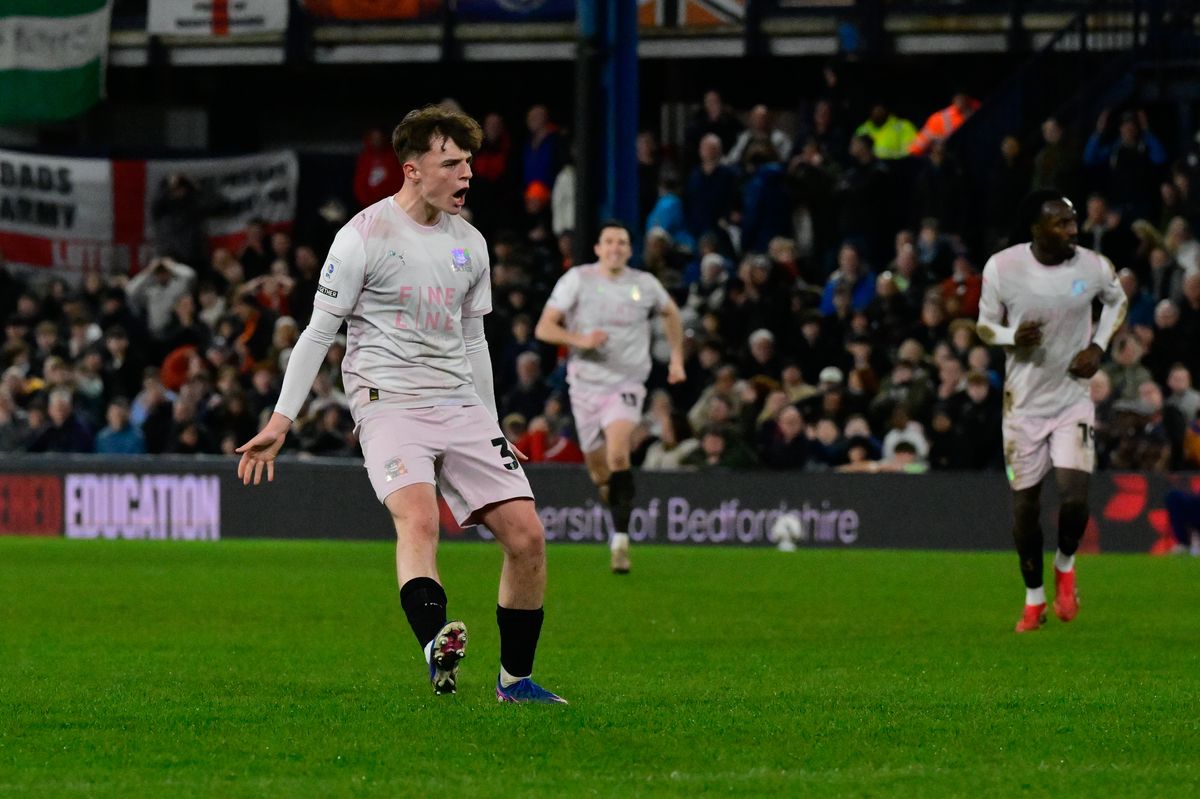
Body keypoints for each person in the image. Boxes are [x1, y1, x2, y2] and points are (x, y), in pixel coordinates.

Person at [235, 106, 565, 704]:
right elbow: (316, 333)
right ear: (413, 170)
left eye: (469, 162)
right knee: (418, 520)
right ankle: (436, 640)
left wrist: (490, 423)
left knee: (528, 537)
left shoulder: (471, 243)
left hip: (459, 403)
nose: (467, 174)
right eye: (452, 163)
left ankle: (515, 683)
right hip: (388, 402)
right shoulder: (362, 237)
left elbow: (473, 341)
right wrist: (282, 419)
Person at [976, 190, 1128, 633]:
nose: (1073, 230)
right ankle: (1033, 598)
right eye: (1061, 223)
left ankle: (1065, 565)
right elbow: (985, 324)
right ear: (1036, 229)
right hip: (1022, 406)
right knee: (1025, 507)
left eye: (1073, 220)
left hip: (1071, 398)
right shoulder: (1002, 267)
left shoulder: (1092, 266)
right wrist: (1009, 337)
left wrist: (1098, 346)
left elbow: (1116, 301)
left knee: (1074, 494)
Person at [535, 221, 685, 574]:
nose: (616, 247)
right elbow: (545, 328)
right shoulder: (578, 279)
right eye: (609, 241)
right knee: (601, 474)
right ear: (598, 249)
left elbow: (672, 313)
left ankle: (620, 540)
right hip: (586, 386)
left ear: (630, 250)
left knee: (619, 453)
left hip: (627, 383)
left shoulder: (644, 284)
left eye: (622, 241)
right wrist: (580, 340)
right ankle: (614, 502)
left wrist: (676, 359)